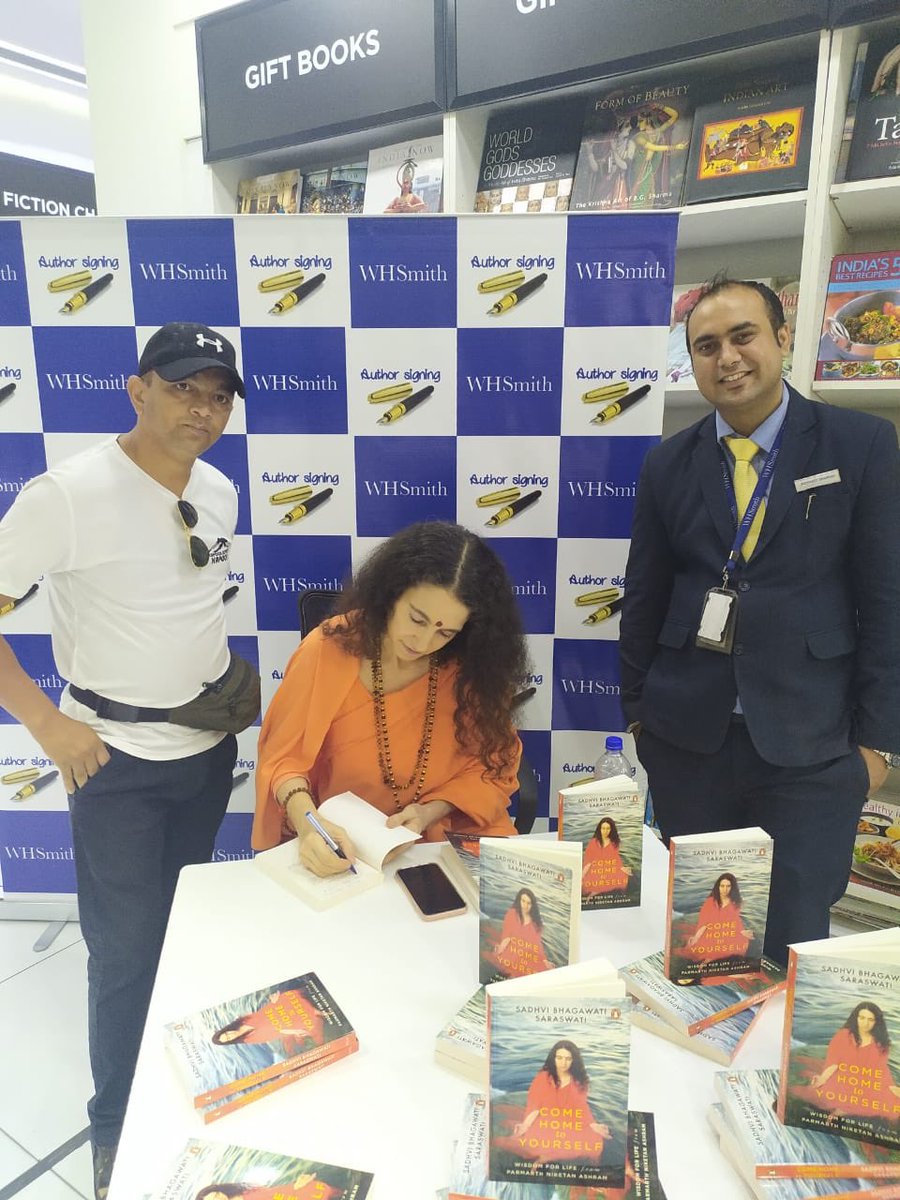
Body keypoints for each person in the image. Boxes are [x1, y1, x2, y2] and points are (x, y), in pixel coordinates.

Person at [0, 322, 247, 1198]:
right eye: (184, 388)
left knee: (183, 937)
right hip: (116, 763)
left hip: (205, 751)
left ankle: (179, 1091)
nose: (204, 409)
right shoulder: (66, 494)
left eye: (219, 395)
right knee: (127, 952)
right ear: (137, 389)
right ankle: (116, 1127)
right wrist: (45, 724)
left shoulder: (217, 488)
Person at [619, 276, 900, 967]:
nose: (728, 358)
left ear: (781, 337)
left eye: (743, 336)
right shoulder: (667, 463)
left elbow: (887, 598)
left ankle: (766, 1076)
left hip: (812, 743)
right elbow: (644, 596)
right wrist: (638, 718)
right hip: (689, 742)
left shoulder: (860, 445)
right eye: (706, 346)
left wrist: (875, 747)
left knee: (791, 935)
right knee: (704, 937)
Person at [253, 521, 528, 873]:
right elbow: (283, 762)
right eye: (417, 618)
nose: (424, 642)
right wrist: (311, 826)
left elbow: (493, 765)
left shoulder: (470, 666)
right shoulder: (326, 650)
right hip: (349, 845)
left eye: (445, 631)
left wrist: (431, 811)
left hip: (448, 835)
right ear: (391, 593)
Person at [495, 1040, 610, 1165]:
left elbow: (581, 1107)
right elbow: (535, 1106)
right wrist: (525, 1126)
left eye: (568, 1059)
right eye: (559, 1058)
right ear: (553, 1059)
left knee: (596, 1141)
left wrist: (593, 1125)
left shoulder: (580, 1080)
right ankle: (547, 1155)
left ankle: (551, 1156)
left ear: (574, 1060)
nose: (563, 1063)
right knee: (533, 1142)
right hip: (545, 1119)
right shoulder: (543, 1078)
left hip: (568, 1120)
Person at [801, 1001, 900, 1122]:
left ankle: (846, 1109)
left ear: (876, 1022)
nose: (865, 1023)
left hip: (865, 1079)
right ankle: (843, 1109)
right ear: (856, 1018)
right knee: (828, 1092)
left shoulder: (881, 1043)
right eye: (862, 1018)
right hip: (841, 1075)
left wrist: (891, 1087)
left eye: (870, 1019)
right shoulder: (843, 1036)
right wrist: (823, 1079)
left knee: (893, 1102)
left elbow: (880, 1069)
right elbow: (833, 1062)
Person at [211, 988, 324, 1053]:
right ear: (230, 1041)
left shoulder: (240, 1021)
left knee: (295, 996)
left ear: (225, 1030)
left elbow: (262, 1014)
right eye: (228, 1038)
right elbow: (273, 1034)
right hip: (284, 1024)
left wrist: (273, 1003)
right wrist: (293, 1031)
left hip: (276, 1011)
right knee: (314, 1017)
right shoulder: (248, 1039)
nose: (230, 1035)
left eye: (226, 1033)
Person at [683, 873, 752, 960]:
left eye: (728, 886)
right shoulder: (710, 902)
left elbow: (734, 920)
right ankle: (710, 960)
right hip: (711, 930)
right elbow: (704, 922)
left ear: (732, 887)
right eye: (722, 886)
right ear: (718, 887)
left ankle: (715, 960)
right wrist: (696, 937)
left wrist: (741, 931)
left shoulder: (736, 902)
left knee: (742, 942)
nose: (725, 889)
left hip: (726, 930)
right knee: (699, 947)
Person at [492, 887, 552, 977]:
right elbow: (506, 937)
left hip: (526, 953)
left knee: (547, 970)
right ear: (519, 900)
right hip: (511, 949)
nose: (525, 905)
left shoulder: (536, 924)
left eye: (528, 903)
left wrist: (544, 960)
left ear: (532, 905)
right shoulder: (512, 914)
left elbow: (537, 944)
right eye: (523, 901)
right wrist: (499, 950)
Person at [582, 816, 633, 897]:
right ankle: (596, 890)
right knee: (585, 883)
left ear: (611, 829)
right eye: (603, 828)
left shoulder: (614, 843)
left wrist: (621, 868)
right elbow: (588, 861)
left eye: (608, 828)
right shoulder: (593, 842)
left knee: (624, 876)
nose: (605, 831)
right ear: (600, 829)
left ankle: (597, 890)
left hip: (608, 868)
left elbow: (615, 858)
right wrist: (582, 875)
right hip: (595, 868)